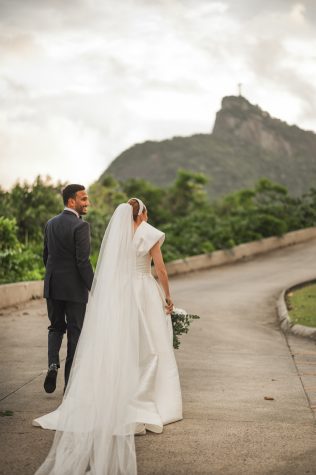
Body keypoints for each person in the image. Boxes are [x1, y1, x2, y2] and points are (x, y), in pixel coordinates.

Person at [33, 198, 182, 475]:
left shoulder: (119, 237)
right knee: (149, 346)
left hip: (123, 294)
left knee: (123, 345)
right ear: (144, 213)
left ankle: (118, 392)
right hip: (145, 293)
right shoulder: (149, 233)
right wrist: (169, 297)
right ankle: (149, 398)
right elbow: (159, 269)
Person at [43, 184, 94, 393]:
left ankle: (53, 364)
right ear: (71, 201)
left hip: (53, 285)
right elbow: (83, 262)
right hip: (74, 290)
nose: (87, 203)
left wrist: (54, 278)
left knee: (55, 327)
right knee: (75, 334)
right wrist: (95, 287)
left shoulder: (50, 223)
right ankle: (69, 386)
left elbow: (46, 256)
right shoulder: (81, 226)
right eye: (83, 199)